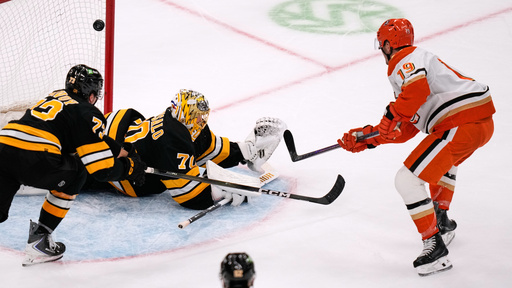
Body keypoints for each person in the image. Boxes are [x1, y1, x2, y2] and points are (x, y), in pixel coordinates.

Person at [338, 18, 495, 276]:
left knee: (406, 180)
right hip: (476, 123)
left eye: (382, 44)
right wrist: (367, 138)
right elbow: (406, 128)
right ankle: (441, 220)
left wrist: (389, 116)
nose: (381, 50)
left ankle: (434, 247)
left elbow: (415, 93)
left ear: (389, 44)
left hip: (462, 123)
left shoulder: (405, 60)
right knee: (444, 161)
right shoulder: (416, 64)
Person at [0, 64, 147, 266]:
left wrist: (125, 151)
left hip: (4, 146)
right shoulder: (88, 111)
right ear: (91, 92)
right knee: (77, 171)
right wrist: (129, 169)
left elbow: (94, 138)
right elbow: (101, 170)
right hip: (36, 157)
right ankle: (40, 240)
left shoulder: (55, 96)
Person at [97, 89, 286, 209]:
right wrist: (219, 192)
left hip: (119, 132)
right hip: (123, 173)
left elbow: (208, 147)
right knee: (83, 170)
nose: (201, 121)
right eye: (197, 117)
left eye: (202, 116)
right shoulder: (171, 142)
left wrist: (244, 151)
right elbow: (189, 196)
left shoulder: (178, 123)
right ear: (185, 115)